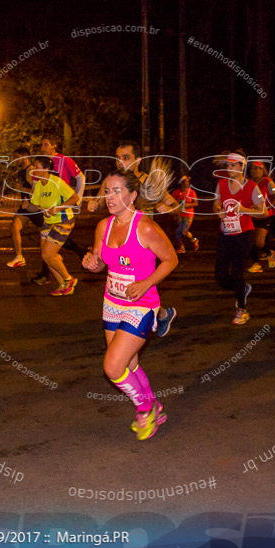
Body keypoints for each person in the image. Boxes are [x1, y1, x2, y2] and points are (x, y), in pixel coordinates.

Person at [82, 169, 179, 440]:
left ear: (132, 195)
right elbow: (100, 261)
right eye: (106, 190)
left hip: (141, 304)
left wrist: (146, 282)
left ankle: (145, 408)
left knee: (112, 366)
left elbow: (171, 260)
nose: (109, 197)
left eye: (116, 191)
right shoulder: (104, 226)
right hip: (111, 303)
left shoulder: (146, 227)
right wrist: (91, 263)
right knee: (129, 364)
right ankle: (155, 406)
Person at [213, 150, 266, 325]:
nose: (229, 168)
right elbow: (216, 203)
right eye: (227, 165)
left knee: (237, 271)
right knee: (220, 275)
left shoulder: (251, 187)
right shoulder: (221, 184)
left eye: (233, 165)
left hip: (244, 234)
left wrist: (244, 210)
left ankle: (242, 310)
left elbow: (263, 211)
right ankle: (241, 289)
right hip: (225, 234)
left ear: (242, 167)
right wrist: (218, 210)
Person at [25, 154, 80, 296]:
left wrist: (57, 208)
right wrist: (27, 206)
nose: (33, 170)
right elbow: (35, 206)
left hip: (63, 221)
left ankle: (69, 279)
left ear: (47, 168)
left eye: (36, 167)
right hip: (48, 223)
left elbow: (75, 198)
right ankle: (63, 285)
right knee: (47, 256)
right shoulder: (38, 185)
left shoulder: (56, 182)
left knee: (48, 254)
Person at [247, 160, 275, 273]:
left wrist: (268, 207)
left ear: (262, 170)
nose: (252, 170)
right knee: (248, 241)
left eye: (255, 168)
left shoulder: (268, 182)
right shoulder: (248, 182)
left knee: (258, 243)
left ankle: (269, 253)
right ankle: (256, 263)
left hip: (264, 216)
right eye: (251, 168)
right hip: (250, 215)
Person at [5, 147, 35, 268]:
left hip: (36, 207)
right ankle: (19, 257)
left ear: (25, 156)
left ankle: (80, 251)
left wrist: (21, 189)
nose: (15, 160)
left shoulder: (31, 171)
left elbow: (37, 192)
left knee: (48, 237)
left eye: (17, 157)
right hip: (27, 207)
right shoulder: (22, 171)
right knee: (14, 226)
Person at [170, 175, 199, 253]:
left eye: (188, 181)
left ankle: (194, 240)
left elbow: (196, 203)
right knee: (178, 231)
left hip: (188, 215)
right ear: (181, 183)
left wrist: (186, 205)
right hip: (179, 214)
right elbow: (172, 203)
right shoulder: (176, 192)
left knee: (184, 232)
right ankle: (181, 247)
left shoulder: (192, 192)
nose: (188, 183)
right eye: (186, 181)